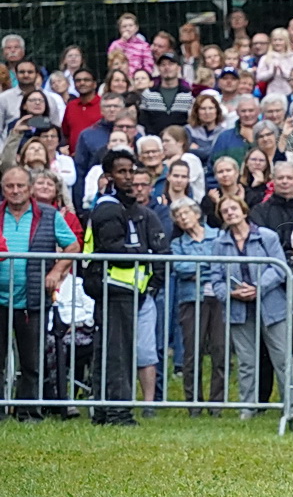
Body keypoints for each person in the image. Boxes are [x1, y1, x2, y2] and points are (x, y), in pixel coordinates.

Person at [82, 149, 164, 425]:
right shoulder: (108, 208)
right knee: (116, 354)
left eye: (131, 171)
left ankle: (107, 411)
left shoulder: (125, 207)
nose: (129, 177)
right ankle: (116, 412)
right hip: (113, 288)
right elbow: (113, 249)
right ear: (109, 176)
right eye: (122, 172)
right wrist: (141, 251)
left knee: (116, 352)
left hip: (127, 290)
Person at [0, 165, 78, 420]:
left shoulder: (49, 214)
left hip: (32, 298)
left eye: (20, 186)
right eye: (9, 186)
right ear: (3, 188)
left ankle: (29, 412)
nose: (15, 191)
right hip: (0, 298)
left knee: (32, 361)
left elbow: (73, 246)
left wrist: (57, 271)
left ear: (30, 188)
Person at [212, 196, 290, 419]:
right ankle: (247, 408)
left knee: (282, 358)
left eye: (233, 208)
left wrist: (258, 287)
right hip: (239, 309)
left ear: (244, 211)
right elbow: (215, 278)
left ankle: (290, 406)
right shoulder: (219, 244)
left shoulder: (267, 237)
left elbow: (279, 268)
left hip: (272, 307)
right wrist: (231, 293)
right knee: (246, 362)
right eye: (225, 210)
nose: (230, 213)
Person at [168, 199, 227, 414]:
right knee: (192, 352)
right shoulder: (177, 244)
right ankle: (193, 403)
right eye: (178, 216)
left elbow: (221, 263)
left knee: (220, 350)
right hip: (190, 300)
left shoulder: (218, 236)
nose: (183, 218)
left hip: (218, 298)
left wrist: (198, 270)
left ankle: (216, 404)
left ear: (197, 214)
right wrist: (207, 267)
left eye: (186, 213)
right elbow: (180, 267)